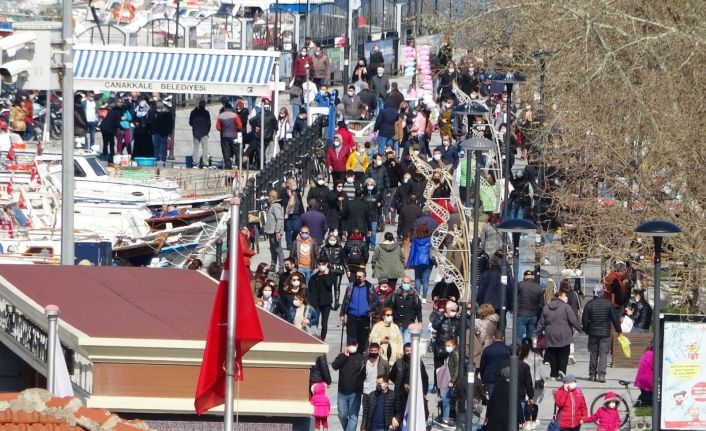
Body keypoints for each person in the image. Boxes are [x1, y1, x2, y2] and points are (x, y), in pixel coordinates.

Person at [536, 289, 582, 380]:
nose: (566, 297)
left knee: (552, 354)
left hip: (551, 335)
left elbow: (541, 322)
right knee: (564, 354)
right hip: (564, 335)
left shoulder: (546, 307)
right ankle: (562, 371)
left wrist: (536, 333)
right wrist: (580, 328)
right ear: (560, 297)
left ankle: (553, 374)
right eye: (565, 296)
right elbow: (573, 320)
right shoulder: (566, 307)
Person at [582, 285, 621, 382]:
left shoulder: (589, 304)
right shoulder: (608, 304)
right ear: (602, 293)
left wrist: (587, 330)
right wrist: (619, 330)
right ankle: (602, 375)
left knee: (593, 353)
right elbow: (614, 318)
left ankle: (592, 374)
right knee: (603, 354)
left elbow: (585, 320)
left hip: (593, 332)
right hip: (605, 333)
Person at [340, 269, 380, 350]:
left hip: (364, 317)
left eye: (360, 276)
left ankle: (360, 358)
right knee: (351, 340)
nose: (357, 278)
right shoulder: (351, 286)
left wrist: (369, 308)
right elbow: (345, 301)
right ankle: (350, 359)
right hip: (352, 317)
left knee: (362, 340)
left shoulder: (370, 287)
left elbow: (376, 301)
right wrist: (342, 314)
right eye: (356, 276)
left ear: (364, 278)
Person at [389, 343, 429, 421]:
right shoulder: (399, 362)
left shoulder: (419, 362)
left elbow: (425, 378)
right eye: (407, 351)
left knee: (414, 416)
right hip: (401, 394)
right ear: (404, 352)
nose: (409, 352)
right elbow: (391, 376)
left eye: (411, 350)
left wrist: (424, 392)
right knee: (401, 416)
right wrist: (401, 384)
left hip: (415, 393)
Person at [332, 338, 366, 431]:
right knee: (342, 415)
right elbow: (334, 366)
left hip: (355, 393)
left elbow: (364, 375)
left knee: (353, 416)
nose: (352, 346)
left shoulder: (361, 358)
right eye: (350, 344)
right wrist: (344, 356)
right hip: (342, 392)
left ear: (357, 345)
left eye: (353, 344)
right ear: (347, 345)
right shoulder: (342, 356)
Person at [308, 259, 336, 340]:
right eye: (319, 264)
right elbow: (310, 288)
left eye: (323, 264)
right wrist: (313, 274)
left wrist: (326, 275)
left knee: (324, 323)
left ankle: (322, 339)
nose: (321, 266)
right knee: (315, 321)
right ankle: (314, 337)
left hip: (326, 303)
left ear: (327, 264)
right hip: (316, 302)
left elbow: (329, 284)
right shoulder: (314, 276)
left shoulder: (331, 275)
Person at [389, 277, 423, 343]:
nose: (406, 284)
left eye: (408, 283)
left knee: (407, 342)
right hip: (397, 322)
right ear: (401, 283)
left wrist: (420, 321)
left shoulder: (415, 295)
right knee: (398, 342)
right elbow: (391, 307)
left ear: (410, 284)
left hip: (409, 322)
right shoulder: (395, 293)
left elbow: (418, 309)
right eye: (404, 283)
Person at [436, 337, 460, 428]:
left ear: (454, 345)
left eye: (449, 345)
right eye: (446, 345)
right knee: (447, 400)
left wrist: (452, 381)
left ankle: (446, 419)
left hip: (454, 382)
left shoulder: (455, 354)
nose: (447, 347)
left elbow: (457, 368)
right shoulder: (452, 354)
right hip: (451, 380)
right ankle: (446, 418)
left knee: (447, 399)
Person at [516, 269, 545, 342]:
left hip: (521, 314)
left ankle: (517, 351)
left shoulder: (520, 285)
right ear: (532, 277)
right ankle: (528, 350)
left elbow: (514, 298)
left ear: (524, 277)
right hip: (533, 315)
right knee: (530, 337)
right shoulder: (538, 287)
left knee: (518, 336)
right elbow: (541, 304)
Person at [319, 233, 346, 310]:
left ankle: (336, 302)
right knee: (328, 287)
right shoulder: (324, 248)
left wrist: (347, 270)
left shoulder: (340, 248)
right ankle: (329, 302)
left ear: (337, 240)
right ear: (328, 240)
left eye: (333, 240)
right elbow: (321, 259)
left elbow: (344, 260)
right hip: (328, 270)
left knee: (337, 287)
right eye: (330, 240)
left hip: (338, 270)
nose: (332, 241)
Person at [479, 329, 510, 396]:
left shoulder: (487, 349)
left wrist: (483, 378)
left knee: (492, 400)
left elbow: (482, 365)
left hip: (490, 378)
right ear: (503, 338)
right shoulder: (507, 350)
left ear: (493, 337)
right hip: (503, 378)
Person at [407, 224, 433, 303]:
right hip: (427, 261)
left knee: (417, 279)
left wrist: (408, 263)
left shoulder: (415, 240)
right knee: (426, 280)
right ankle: (424, 298)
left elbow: (412, 252)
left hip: (417, 261)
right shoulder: (430, 240)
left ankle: (417, 296)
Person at [263, 189, 285, 271]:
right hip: (271, 231)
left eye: (269, 196)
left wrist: (277, 231)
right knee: (273, 249)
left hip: (274, 232)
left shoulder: (275, 206)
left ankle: (281, 267)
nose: (268, 198)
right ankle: (273, 265)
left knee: (278, 249)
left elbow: (279, 219)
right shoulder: (272, 205)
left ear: (272, 197)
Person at [281, 178, 305, 250]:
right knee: (288, 230)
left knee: (297, 229)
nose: (295, 185)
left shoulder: (297, 191)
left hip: (296, 213)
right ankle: (289, 245)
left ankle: (293, 241)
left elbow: (300, 202)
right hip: (287, 214)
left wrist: (302, 213)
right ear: (288, 185)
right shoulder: (284, 192)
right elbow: (282, 202)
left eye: (295, 184)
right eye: (293, 184)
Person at [216, 103, 241, 169]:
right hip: (233, 135)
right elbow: (240, 125)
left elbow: (217, 127)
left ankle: (228, 166)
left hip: (224, 136)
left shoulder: (220, 116)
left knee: (226, 151)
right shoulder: (235, 115)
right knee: (236, 150)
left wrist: (223, 130)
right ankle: (239, 165)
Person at [189, 99, 211, 167]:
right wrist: (207, 131)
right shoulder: (206, 113)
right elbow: (209, 123)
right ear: (204, 105)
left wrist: (195, 127)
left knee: (196, 148)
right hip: (204, 132)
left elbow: (190, 122)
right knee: (205, 148)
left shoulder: (193, 112)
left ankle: (195, 162)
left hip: (196, 132)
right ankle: (204, 162)